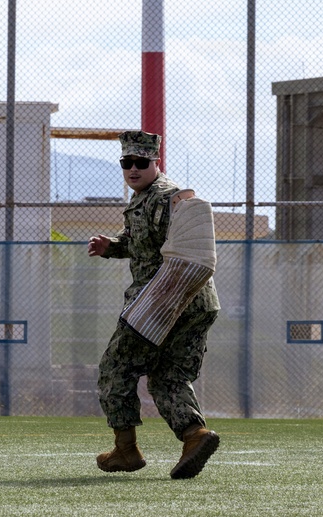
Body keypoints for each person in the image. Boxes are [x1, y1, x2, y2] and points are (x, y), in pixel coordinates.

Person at [88, 130, 221, 479]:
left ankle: (125, 449)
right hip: (199, 301)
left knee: (116, 368)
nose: (133, 169)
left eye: (140, 162)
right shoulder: (146, 199)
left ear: (154, 162)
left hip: (160, 302)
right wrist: (112, 245)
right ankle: (195, 436)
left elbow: (178, 229)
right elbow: (141, 242)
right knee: (167, 376)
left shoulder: (163, 197)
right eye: (126, 163)